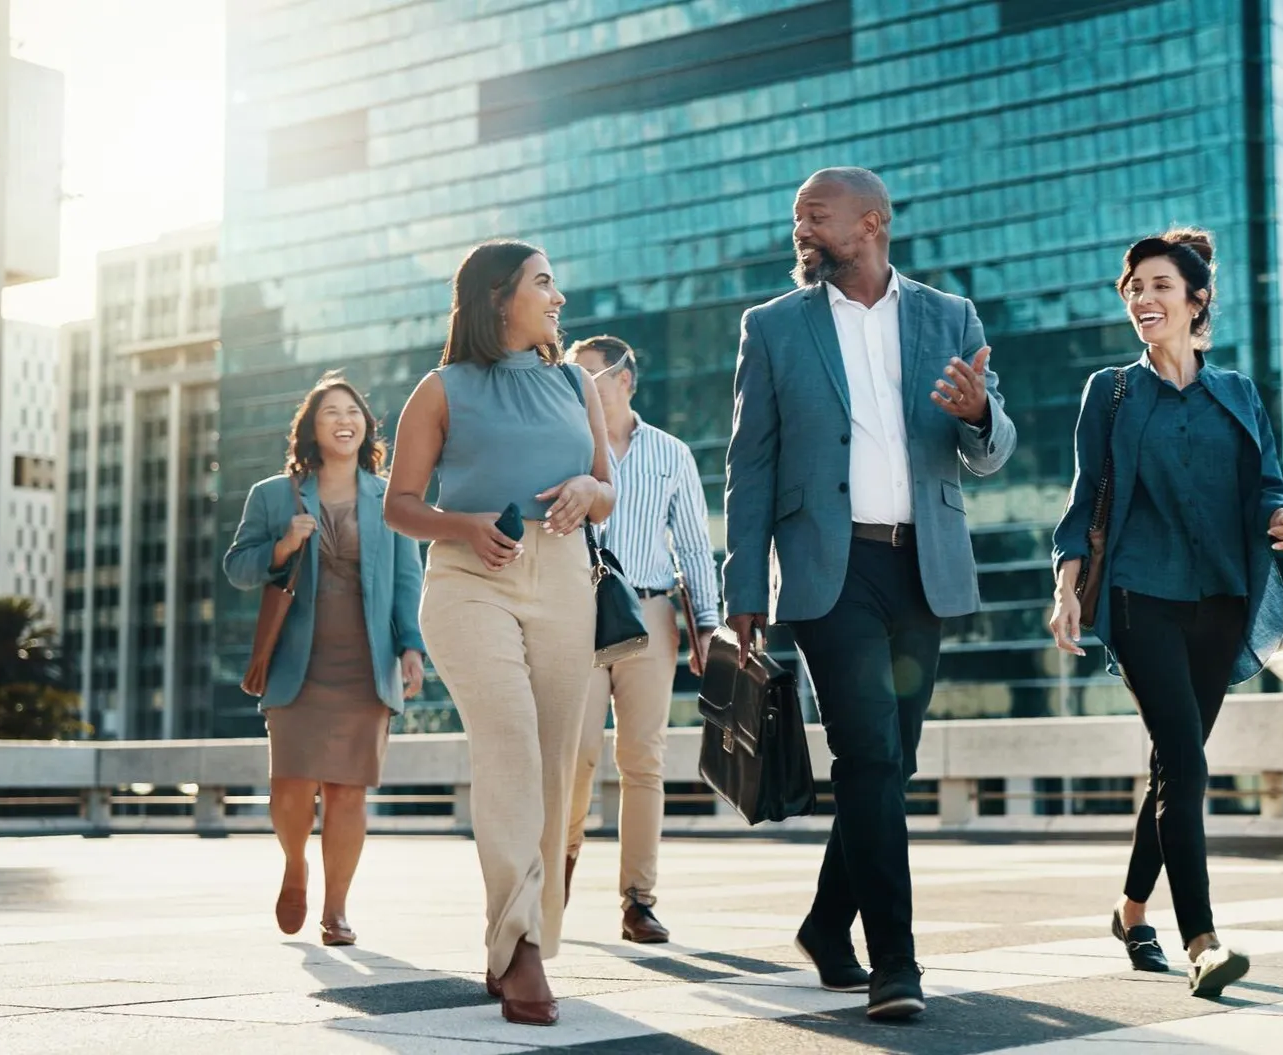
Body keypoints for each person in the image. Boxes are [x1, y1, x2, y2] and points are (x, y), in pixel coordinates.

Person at [724, 167, 1016, 1020]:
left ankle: (825, 924)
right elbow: (749, 463)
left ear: (871, 222)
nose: (801, 229)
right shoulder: (772, 326)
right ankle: (895, 961)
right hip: (830, 567)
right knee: (869, 757)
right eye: (796, 218)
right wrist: (744, 584)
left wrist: (977, 414)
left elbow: (989, 451)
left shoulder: (949, 316)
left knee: (893, 760)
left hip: (921, 565)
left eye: (816, 215)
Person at [1046, 228, 1283, 1000]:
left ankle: (1130, 912)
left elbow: (1267, 487)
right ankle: (1203, 940)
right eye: (1133, 288)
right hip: (1139, 596)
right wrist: (1066, 587)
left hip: (1221, 598)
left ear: (1196, 301)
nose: (1142, 299)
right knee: (1187, 763)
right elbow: (1083, 499)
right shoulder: (1111, 392)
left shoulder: (1239, 393)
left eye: (1158, 285)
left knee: (1173, 762)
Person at [384, 240, 615, 1028]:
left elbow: (608, 489)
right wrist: (463, 523)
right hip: (469, 580)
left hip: (565, 580)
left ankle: (519, 935)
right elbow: (399, 504)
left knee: (552, 760)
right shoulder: (440, 389)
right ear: (496, 297)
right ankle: (518, 949)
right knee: (511, 739)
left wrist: (587, 488)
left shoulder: (575, 383)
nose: (558, 295)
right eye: (543, 282)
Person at [223, 373, 427, 949]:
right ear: (311, 429)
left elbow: (407, 580)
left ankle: (336, 911)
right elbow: (237, 568)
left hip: (366, 664)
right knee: (290, 787)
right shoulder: (273, 495)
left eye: (353, 411)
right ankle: (295, 865)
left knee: (348, 790)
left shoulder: (390, 497)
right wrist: (283, 546)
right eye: (331, 412)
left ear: (366, 427)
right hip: (297, 663)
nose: (344, 419)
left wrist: (411, 647)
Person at [559, 335, 720, 944]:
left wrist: (707, 626)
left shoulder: (671, 453)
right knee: (575, 754)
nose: (577, 386)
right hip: (579, 612)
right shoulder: (566, 444)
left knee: (643, 759)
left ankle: (638, 902)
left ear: (624, 378)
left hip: (651, 614)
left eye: (588, 375)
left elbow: (694, 545)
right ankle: (559, 872)